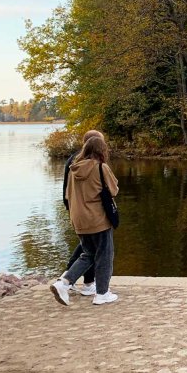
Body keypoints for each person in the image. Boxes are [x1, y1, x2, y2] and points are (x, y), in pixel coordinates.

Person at [51, 135, 119, 306]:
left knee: (87, 254)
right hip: (97, 219)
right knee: (105, 255)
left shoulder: (73, 169)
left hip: (79, 219)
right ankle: (102, 293)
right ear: (101, 150)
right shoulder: (100, 168)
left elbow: (68, 194)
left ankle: (64, 283)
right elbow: (114, 189)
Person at [59, 130, 103, 296]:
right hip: (87, 211)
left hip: (75, 208)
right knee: (91, 248)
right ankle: (69, 279)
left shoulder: (75, 159)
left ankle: (80, 280)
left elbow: (67, 188)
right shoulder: (88, 161)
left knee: (87, 246)